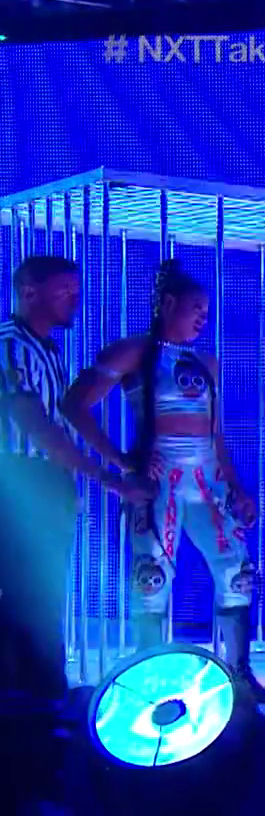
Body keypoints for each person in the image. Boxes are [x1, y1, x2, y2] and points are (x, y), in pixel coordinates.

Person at [61, 261, 265, 702]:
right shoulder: (133, 352)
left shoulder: (207, 363)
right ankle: (149, 674)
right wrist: (122, 461)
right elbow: (74, 405)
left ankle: (239, 673)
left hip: (208, 483)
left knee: (236, 572)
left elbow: (216, 433)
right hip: (160, 485)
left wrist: (237, 486)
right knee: (151, 577)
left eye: (207, 312)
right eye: (196, 308)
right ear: (168, 304)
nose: (203, 318)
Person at [0, 256, 148, 704]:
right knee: (31, 591)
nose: (75, 299)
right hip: (21, 479)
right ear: (29, 292)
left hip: (46, 482)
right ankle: (39, 694)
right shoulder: (11, 346)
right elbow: (36, 426)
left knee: (42, 589)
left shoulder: (46, 349)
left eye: (77, 290)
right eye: (65, 290)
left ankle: (34, 690)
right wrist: (108, 478)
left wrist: (117, 461)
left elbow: (65, 415)